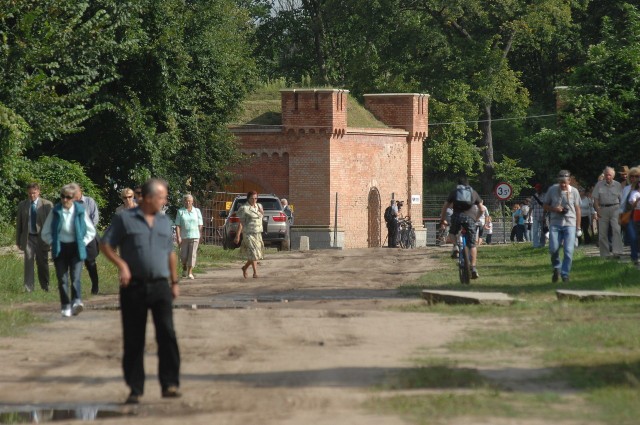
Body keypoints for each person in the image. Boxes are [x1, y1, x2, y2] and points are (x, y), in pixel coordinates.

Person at [100, 178, 181, 405]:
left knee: (167, 334)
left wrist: (175, 281)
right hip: (133, 286)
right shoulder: (124, 219)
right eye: (161, 197)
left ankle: (170, 384)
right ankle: (135, 388)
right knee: (134, 337)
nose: (164, 200)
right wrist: (122, 265)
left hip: (160, 285)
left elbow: (170, 253)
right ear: (147, 198)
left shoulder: (165, 222)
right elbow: (105, 244)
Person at [41, 184, 96, 316]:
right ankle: (65, 305)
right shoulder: (55, 211)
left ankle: (76, 301)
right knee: (62, 279)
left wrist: (82, 242)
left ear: (73, 198)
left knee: (75, 277)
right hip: (60, 248)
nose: (65, 200)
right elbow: (45, 232)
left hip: (76, 248)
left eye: (68, 197)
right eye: (62, 197)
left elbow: (91, 230)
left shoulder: (80, 211)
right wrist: (53, 242)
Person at [439, 176, 483, 279]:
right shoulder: (473, 192)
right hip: (470, 219)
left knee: (452, 232)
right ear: (468, 184)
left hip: (457, 217)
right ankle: (473, 268)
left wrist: (442, 219)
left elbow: (445, 206)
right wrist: (476, 218)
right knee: (472, 245)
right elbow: (481, 209)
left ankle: (455, 247)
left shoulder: (454, 192)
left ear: (458, 183)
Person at [543, 170, 581, 283]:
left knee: (568, 251)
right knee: (553, 248)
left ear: (569, 181)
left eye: (565, 182)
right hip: (555, 223)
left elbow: (578, 209)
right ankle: (556, 267)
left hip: (570, 223)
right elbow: (545, 205)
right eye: (561, 182)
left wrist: (578, 227)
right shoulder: (552, 190)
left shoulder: (574, 191)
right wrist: (554, 209)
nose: (563, 185)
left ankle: (565, 274)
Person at [16, 183, 53, 292]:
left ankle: (45, 286)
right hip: (28, 238)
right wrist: (18, 240)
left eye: (34, 193)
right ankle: (29, 288)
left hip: (42, 238)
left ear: (38, 192)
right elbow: (19, 224)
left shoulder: (47, 204)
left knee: (42, 263)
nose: (32, 195)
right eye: (30, 193)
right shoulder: (23, 205)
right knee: (28, 261)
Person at [73, 183, 101, 295]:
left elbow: (95, 218)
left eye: (76, 191)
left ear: (81, 191)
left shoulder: (89, 201)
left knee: (90, 262)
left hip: (89, 236)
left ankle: (95, 285)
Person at [592, 166, 624, 258]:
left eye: (609, 175)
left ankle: (617, 252)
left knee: (616, 230)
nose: (607, 176)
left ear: (613, 176)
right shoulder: (599, 185)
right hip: (603, 209)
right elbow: (596, 199)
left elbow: (621, 199)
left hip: (615, 208)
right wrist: (597, 210)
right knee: (602, 233)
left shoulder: (618, 185)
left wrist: (621, 212)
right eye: (606, 175)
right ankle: (605, 254)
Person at [234, 190, 265, 278]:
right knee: (254, 252)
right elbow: (241, 223)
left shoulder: (259, 206)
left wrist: (261, 212)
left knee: (256, 253)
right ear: (248, 198)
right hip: (249, 233)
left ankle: (245, 267)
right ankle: (255, 273)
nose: (254, 200)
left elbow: (261, 215)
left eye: (256, 198)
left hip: (258, 233)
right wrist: (237, 236)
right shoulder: (244, 208)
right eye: (252, 198)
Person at [175, 194, 203, 280]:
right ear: (184, 202)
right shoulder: (180, 211)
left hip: (195, 236)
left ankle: (190, 272)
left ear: (192, 202)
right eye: (186, 201)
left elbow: (200, 224)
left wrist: (199, 233)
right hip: (184, 236)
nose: (188, 202)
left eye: (189, 201)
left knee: (192, 254)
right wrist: (178, 236)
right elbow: (178, 225)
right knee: (183, 256)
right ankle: (184, 267)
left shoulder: (197, 211)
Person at [620, 168, 640, 265]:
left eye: (636, 176)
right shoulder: (626, 189)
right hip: (629, 215)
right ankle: (634, 257)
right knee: (633, 236)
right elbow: (622, 203)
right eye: (631, 176)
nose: (634, 178)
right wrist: (620, 214)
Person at [531, 184, 546, 248]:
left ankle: (542, 244)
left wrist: (544, 216)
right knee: (535, 231)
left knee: (543, 231)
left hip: (543, 216)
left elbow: (546, 206)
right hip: (535, 215)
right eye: (536, 188)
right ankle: (535, 245)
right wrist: (529, 216)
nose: (537, 189)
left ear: (541, 189)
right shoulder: (534, 196)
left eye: (538, 188)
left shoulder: (545, 196)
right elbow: (531, 207)